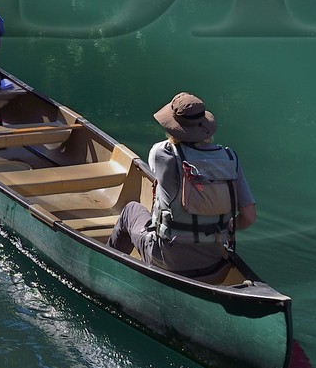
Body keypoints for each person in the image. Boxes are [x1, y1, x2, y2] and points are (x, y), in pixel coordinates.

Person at [107, 92, 257, 278]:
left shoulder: (163, 154)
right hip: (215, 261)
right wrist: (223, 228)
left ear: (173, 127)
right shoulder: (230, 158)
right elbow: (249, 217)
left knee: (131, 210)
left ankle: (106, 268)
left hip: (169, 259)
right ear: (205, 127)